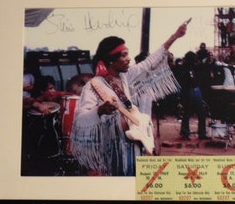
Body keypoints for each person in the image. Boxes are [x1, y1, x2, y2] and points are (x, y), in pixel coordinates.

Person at [71, 22, 187, 176]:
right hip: (113, 148)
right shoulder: (93, 86)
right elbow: (80, 119)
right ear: (111, 60)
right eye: (124, 55)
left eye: (128, 54)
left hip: (133, 142)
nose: (129, 59)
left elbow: (150, 62)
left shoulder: (126, 76)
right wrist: (99, 110)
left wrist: (175, 36)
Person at [174, 51, 210, 140]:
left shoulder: (194, 67)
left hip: (195, 91)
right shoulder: (184, 68)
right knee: (187, 112)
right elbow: (183, 81)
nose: (195, 61)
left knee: (201, 113)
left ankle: (202, 133)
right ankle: (185, 133)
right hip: (188, 91)